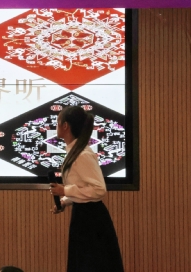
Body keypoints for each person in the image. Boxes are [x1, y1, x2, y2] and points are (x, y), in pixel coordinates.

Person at [49, 106, 124, 272]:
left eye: (57, 122)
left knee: (91, 265)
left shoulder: (82, 154)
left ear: (65, 126)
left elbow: (98, 189)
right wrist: (65, 201)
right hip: (83, 216)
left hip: (91, 220)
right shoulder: (75, 150)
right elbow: (83, 187)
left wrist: (65, 191)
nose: (56, 126)